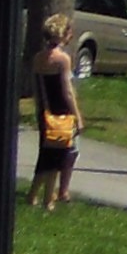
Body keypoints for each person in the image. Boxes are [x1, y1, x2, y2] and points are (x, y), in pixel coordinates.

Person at [31, 16, 82, 213]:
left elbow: (37, 88)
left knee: (44, 154)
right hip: (61, 113)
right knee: (57, 157)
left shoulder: (38, 58)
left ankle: (33, 195)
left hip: (44, 110)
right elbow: (67, 91)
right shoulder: (62, 59)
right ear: (63, 34)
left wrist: (40, 109)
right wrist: (77, 116)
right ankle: (48, 200)